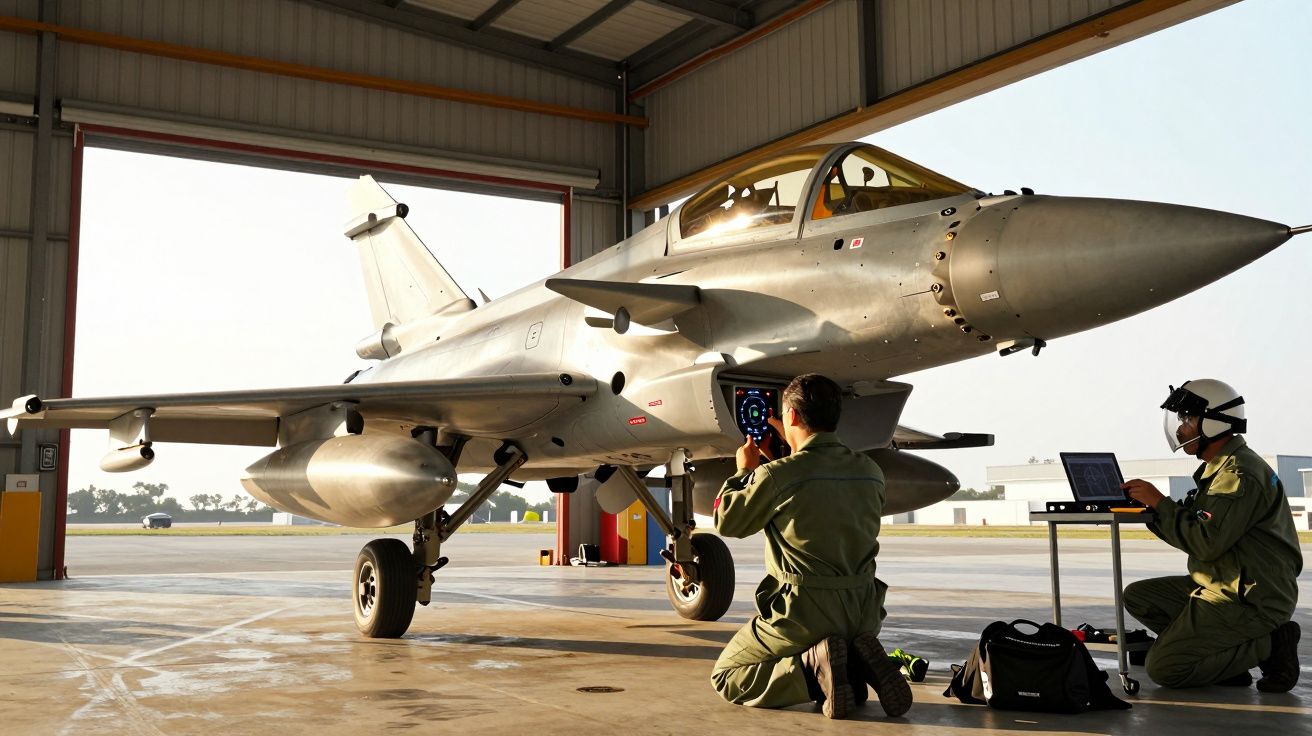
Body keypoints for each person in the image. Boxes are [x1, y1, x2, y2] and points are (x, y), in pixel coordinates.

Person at [708, 373, 912, 719]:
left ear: (790, 417)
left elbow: (728, 522)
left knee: (727, 676)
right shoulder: (871, 471)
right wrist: (785, 463)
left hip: (803, 615)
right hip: (864, 612)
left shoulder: (777, 476)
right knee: (843, 648)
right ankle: (857, 665)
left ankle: (813, 673)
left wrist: (744, 472)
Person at [1122, 379, 1302, 691]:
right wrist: (1152, 511)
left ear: (1215, 422)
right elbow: (1194, 530)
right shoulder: (1221, 470)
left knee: (1165, 669)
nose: (1181, 429)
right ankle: (1223, 661)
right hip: (1223, 584)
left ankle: (1272, 643)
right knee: (1139, 597)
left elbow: (1205, 542)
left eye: (1188, 420)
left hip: (1250, 597)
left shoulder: (1237, 475)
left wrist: (1160, 503)